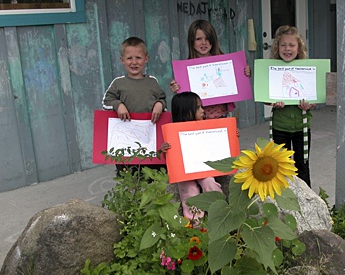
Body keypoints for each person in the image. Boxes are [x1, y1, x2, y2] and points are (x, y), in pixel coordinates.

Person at [102, 36, 167, 176]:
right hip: (126, 140)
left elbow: (163, 100)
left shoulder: (152, 82)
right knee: (128, 176)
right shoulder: (118, 83)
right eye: (129, 58)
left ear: (146, 59)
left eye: (138, 57)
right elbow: (105, 103)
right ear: (122, 60)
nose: (134, 62)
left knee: (153, 176)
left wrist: (159, 104)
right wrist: (118, 105)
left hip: (150, 139)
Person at [160, 91, 223, 226]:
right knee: (189, 191)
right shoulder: (172, 131)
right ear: (187, 112)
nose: (203, 111)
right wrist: (164, 150)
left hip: (203, 169)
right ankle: (195, 224)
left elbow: (219, 142)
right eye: (198, 107)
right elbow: (168, 157)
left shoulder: (208, 127)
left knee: (209, 183)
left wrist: (233, 135)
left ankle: (221, 214)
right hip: (184, 172)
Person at [169, 19, 251, 119]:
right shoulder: (185, 70)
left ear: (213, 40)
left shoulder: (225, 63)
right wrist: (177, 89)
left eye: (207, 38)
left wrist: (245, 73)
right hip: (199, 118)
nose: (204, 42)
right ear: (191, 41)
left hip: (221, 115)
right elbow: (184, 99)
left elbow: (237, 80)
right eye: (198, 39)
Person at [268, 26, 316, 187]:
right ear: (277, 47)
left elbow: (315, 97)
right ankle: (284, 201)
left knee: (302, 165)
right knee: (281, 166)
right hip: (280, 127)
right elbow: (265, 98)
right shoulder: (271, 69)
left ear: (299, 48)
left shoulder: (306, 69)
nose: (287, 49)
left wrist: (309, 105)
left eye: (291, 45)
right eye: (283, 45)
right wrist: (273, 101)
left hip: (301, 127)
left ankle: (306, 203)